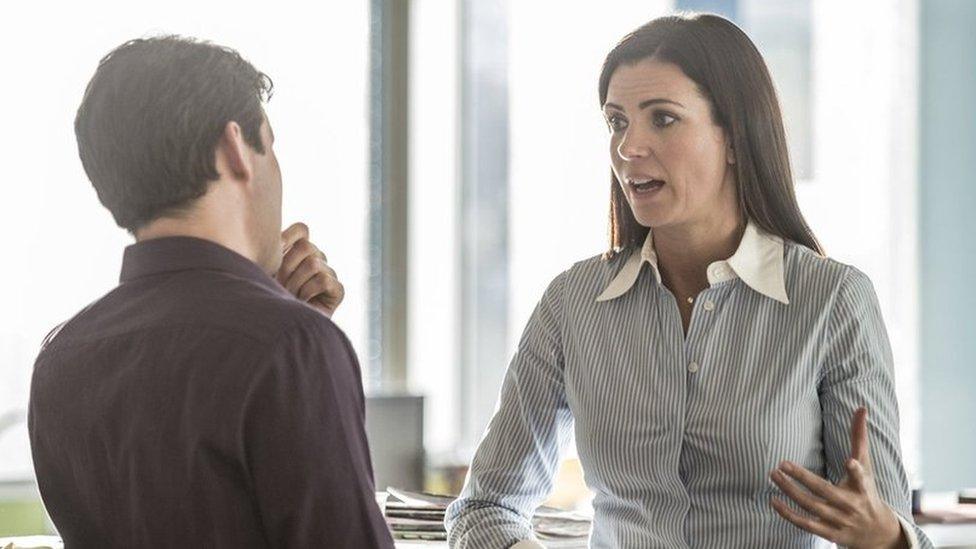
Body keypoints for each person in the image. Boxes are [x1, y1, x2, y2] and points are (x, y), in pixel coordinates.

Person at [446, 13, 931, 549]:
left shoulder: (832, 301)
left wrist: (887, 539)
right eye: (617, 122)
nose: (629, 148)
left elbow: (890, 527)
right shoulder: (572, 304)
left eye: (663, 119)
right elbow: (485, 508)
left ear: (734, 136)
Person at [28, 36, 394, 548]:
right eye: (272, 145)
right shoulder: (291, 346)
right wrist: (302, 342)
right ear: (235, 149)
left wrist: (288, 324)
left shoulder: (60, 358)